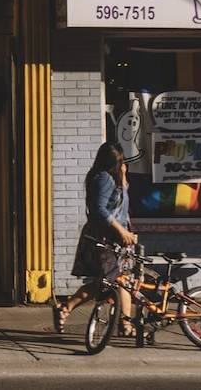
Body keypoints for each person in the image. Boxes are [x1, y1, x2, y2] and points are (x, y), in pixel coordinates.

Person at [54, 142, 139, 335]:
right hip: (106, 239)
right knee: (116, 281)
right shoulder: (104, 178)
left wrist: (124, 178)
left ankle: (66, 308)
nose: (123, 164)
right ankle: (124, 324)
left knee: (112, 282)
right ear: (112, 162)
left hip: (116, 238)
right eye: (120, 161)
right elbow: (99, 210)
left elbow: (121, 208)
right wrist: (122, 231)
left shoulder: (113, 178)